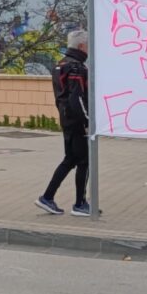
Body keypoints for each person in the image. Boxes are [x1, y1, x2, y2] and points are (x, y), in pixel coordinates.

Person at [36, 29, 93, 216]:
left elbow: (61, 97)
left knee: (70, 160)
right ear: (82, 46)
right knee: (85, 161)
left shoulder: (60, 65)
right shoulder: (77, 67)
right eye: (88, 45)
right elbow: (77, 98)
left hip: (66, 118)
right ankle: (80, 204)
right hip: (76, 120)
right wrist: (87, 121)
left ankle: (47, 197)